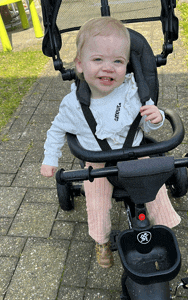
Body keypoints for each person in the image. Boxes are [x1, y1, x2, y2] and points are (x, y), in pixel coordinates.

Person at [41, 17, 180, 269]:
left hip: (136, 152)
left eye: (117, 61)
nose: (108, 68)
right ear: (80, 65)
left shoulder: (133, 91)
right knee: (96, 202)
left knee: (156, 190)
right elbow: (56, 130)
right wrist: (51, 159)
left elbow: (147, 123)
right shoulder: (74, 104)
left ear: (127, 65)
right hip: (97, 160)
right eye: (98, 60)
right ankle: (102, 241)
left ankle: (166, 230)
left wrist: (156, 118)